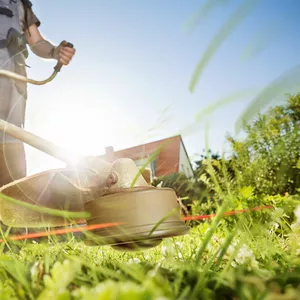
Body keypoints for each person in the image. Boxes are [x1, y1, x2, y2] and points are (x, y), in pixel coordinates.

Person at [0, 0, 75, 187]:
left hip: (14, 80)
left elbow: (36, 41)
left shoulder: (21, 5)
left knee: (12, 148)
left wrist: (55, 52)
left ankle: (10, 209)